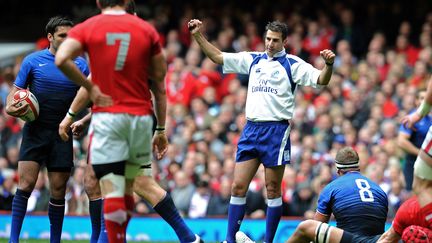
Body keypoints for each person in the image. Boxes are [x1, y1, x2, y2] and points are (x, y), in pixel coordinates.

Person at [55, 1, 201, 242]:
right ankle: (188, 237)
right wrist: (161, 129)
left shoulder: (92, 27)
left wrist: (78, 105)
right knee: (135, 183)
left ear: (99, 3)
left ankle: (107, 239)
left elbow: (61, 59)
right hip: (140, 120)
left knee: (110, 184)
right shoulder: (147, 32)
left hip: (108, 119)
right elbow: (159, 89)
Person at [188, 19, 335, 243]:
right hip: (251, 129)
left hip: (276, 130)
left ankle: (268, 241)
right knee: (237, 186)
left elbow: (321, 80)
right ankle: (229, 239)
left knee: (273, 189)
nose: (269, 44)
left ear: (284, 41)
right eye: (267, 39)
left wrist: (329, 66)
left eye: (275, 40)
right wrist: (198, 35)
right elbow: (218, 57)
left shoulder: (293, 64)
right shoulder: (253, 59)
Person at [5, 16, 89, 243]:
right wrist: (12, 108)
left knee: (58, 190)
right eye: (62, 35)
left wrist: (83, 120)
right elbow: (13, 97)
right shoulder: (32, 61)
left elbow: (91, 99)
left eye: (70, 36)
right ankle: (13, 240)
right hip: (35, 131)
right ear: (50, 37)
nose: (67, 39)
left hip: (62, 133)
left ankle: (55, 241)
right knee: (25, 185)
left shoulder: (81, 64)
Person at [236, 147, 389, 243]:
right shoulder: (379, 190)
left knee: (307, 227)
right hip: (378, 240)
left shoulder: (331, 188)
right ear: (358, 166)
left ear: (337, 170)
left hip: (351, 240)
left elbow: (317, 227)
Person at [377, 76, 432, 242]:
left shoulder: (408, 212)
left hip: (422, 166)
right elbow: (401, 140)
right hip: (413, 162)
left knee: (420, 186)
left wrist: (419, 113)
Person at [397, 89, 432, 191]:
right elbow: (401, 142)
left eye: (426, 98)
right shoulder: (412, 117)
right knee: (415, 195)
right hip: (413, 163)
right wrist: (422, 153)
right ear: (416, 101)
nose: (424, 101)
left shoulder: (430, 118)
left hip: (429, 163)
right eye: (421, 98)